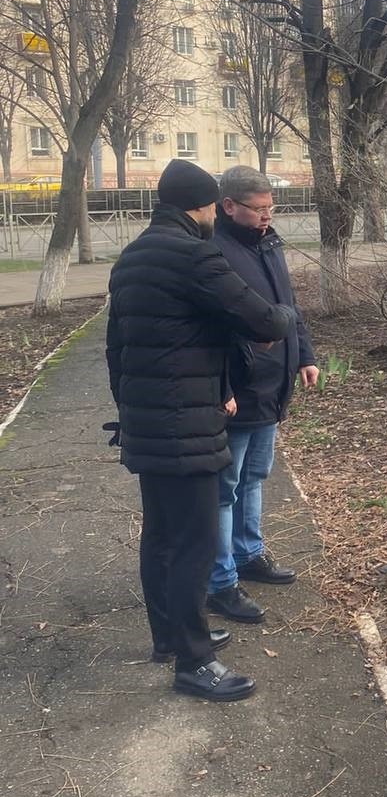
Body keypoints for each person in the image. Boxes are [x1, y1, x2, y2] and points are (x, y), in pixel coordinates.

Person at [106, 159, 295, 702]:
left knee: (162, 536)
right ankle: (194, 663)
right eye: (213, 205)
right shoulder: (194, 254)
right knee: (194, 541)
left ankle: (170, 636)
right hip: (186, 424)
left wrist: (130, 410)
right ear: (203, 205)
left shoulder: (133, 257)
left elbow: (117, 349)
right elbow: (262, 320)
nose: (215, 214)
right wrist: (284, 315)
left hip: (147, 422)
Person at [205, 166, 319, 624]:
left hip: (273, 384)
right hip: (238, 389)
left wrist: (304, 354)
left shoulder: (267, 244)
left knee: (254, 475)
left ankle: (249, 555)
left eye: (272, 209)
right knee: (224, 488)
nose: (268, 218)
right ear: (229, 206)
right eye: (260, 210)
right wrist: (223, 387)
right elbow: (210, 331)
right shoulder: (213, 252)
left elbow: (288, 308)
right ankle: (221, 580)